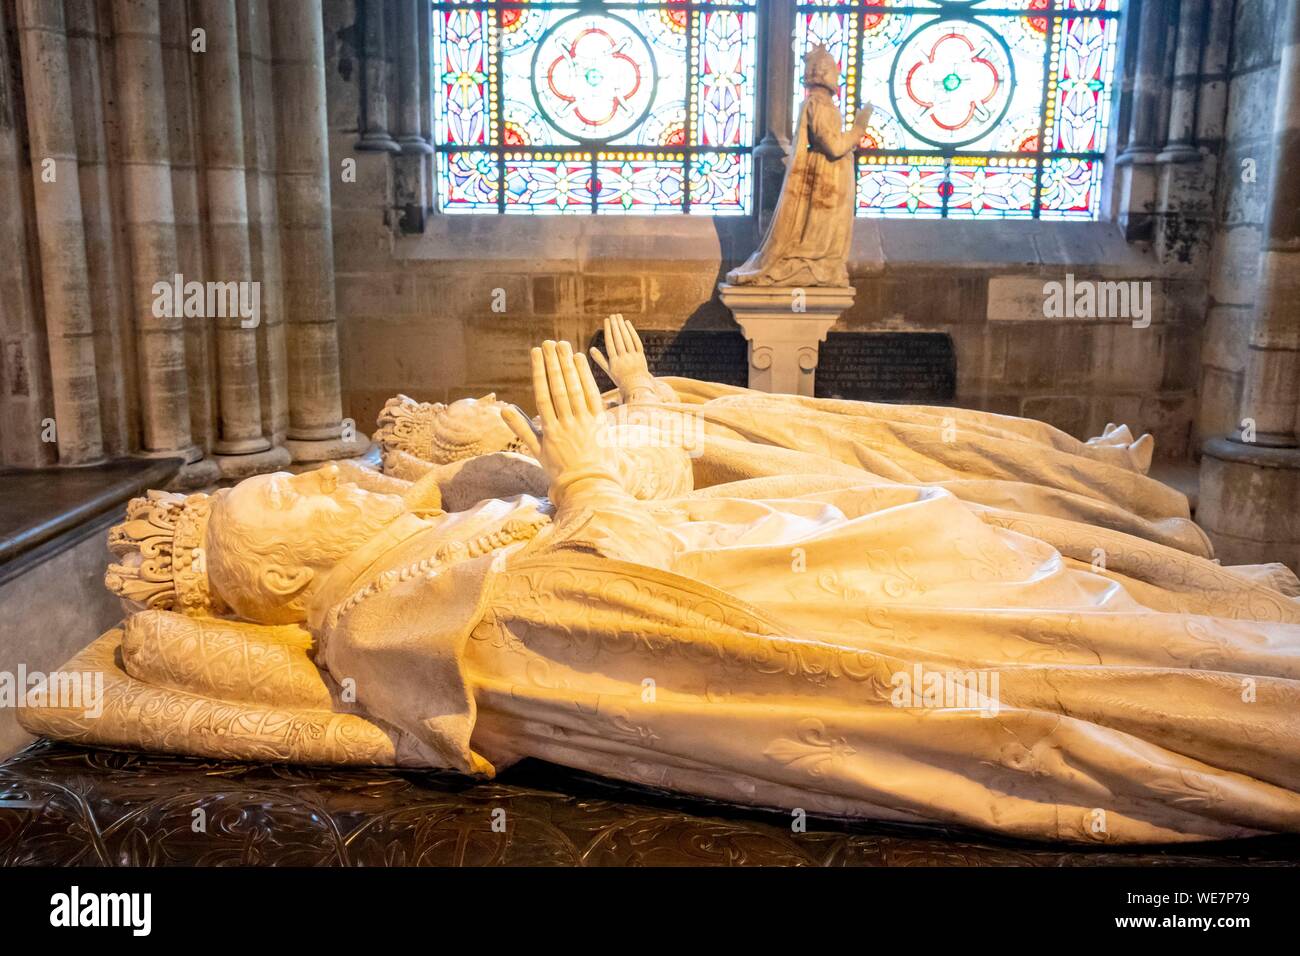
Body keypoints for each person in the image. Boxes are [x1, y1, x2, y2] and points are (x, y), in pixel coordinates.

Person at [24, 342, 1300, 844]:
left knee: (1185, 625)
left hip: (882, 560)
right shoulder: (390, 617)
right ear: (283, 583)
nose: (326, 480)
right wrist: (588, 469)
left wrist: (613, 454)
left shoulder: (432, 546)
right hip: (877, 624)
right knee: (1169, 665)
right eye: (293, 504)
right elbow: (609, 629)